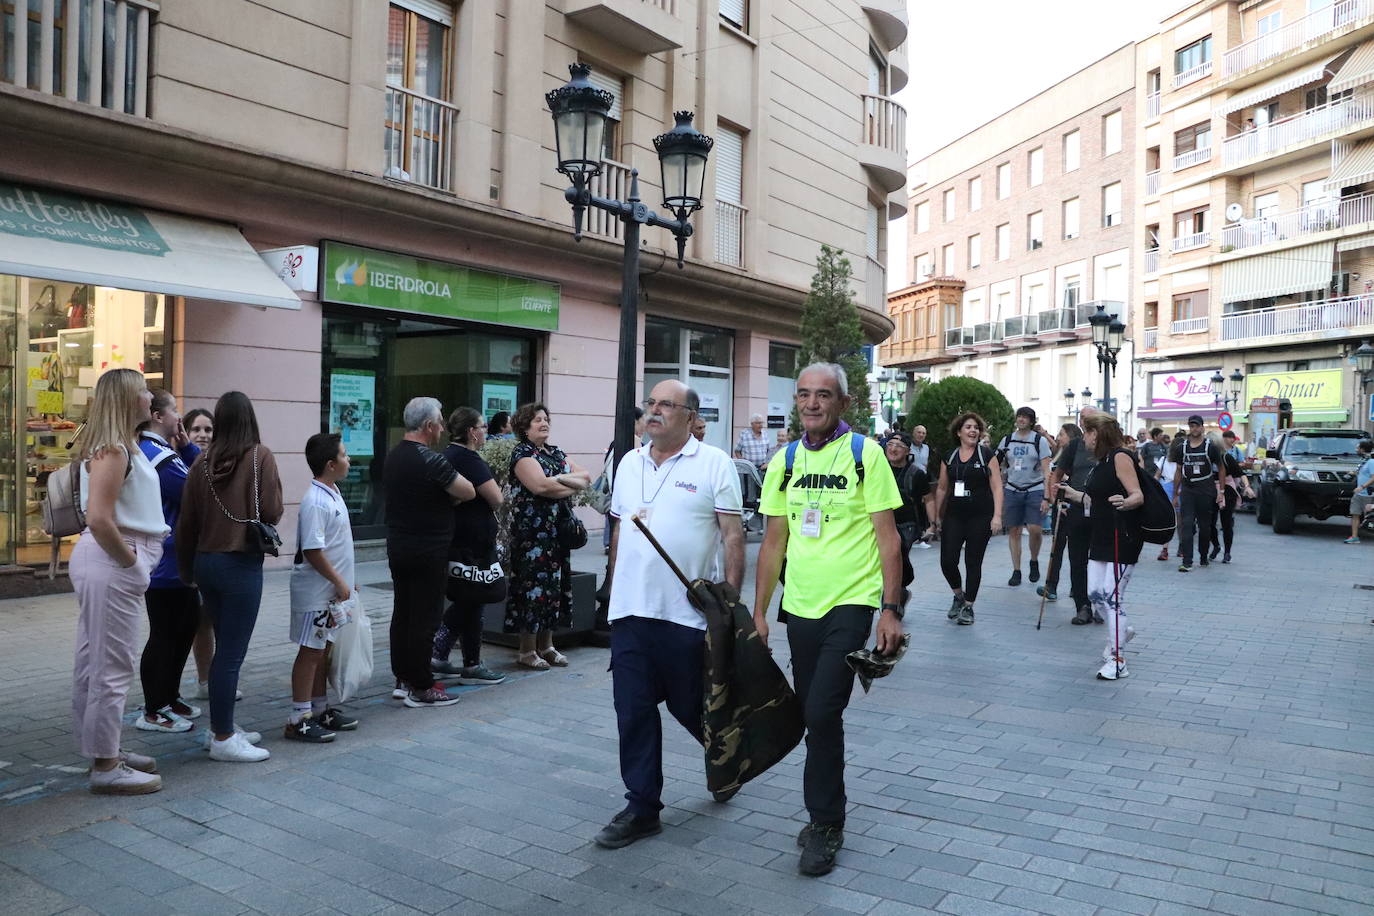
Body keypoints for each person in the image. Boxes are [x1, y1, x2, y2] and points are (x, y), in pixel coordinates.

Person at [753, 362, 903, 877]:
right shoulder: (786, 460)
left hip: (852, 602)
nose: (812, 403)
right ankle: (826, 809)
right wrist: (759, 612)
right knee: (813, 715)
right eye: (803, 396)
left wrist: (889, 609)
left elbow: (888, 537)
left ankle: (825, 823)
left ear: (842, 402)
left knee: (820, 712)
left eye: (823, 395)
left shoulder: (865, 454)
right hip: (800, 606)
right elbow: (774, 543)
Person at [593, 380, 744, 849]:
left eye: (665, 405)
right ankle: (642, 807)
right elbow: (619, 533)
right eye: (651, 404)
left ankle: (727, 757)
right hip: (632, 613)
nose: (654, 412)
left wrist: (731, 610)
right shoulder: (628, 463)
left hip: (687, 616)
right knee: (633, 711)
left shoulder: (715, 463)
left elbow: (733, 538)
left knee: (690, 705)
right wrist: (612, 592)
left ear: (691, 417)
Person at [70, 369, 169, 794]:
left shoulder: (123, 445)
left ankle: (102, 749)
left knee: (97, 664)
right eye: (145, 390)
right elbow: (98, 517)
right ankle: (107, 766)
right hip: (115, 560)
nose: (151, 396)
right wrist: (132, 564)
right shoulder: (114, 450)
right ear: (129, 399)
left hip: (113, 560)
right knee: (111, 667)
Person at [176, 391, 283, 762]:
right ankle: (223, 737)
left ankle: (221, 725)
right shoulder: (259, 456)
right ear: (250, 418)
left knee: (224, 649)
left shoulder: (200, 463)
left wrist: (186, 569)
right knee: (230, 655)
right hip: (240, 563)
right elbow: (272, 509)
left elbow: (185, 524)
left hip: (206, 563)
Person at [383, 397, 476, 708]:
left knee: (404, 613)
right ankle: (422, 685)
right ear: (428, 426)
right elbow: (468, 491)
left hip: (399, 545)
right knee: (425, 618)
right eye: (439, 421)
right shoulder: (430, 459)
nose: (442, 427)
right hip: (428, 549)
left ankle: (403, 677)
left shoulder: (394, 456)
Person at [135, 389, 203, 734]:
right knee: (164, 634)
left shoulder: (162, 451)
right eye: (175, 410)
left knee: (185, 628)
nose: (181, 417)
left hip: (178, 559)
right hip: (164, 562)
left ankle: (169, 697)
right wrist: (190, 449)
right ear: (159, 417)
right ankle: (152, 708)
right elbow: (198, 491)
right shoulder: (157, 455)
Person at [284, 433, 359, 742]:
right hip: (316, 594)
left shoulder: (331, 491)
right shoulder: (315, 501)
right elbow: (314, 551)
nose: (349, 459)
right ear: (331, 464)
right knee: (310, 652)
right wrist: (339, 581)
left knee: (323, 650)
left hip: (331, 595)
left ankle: (319, 708)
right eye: (344, 455)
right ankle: (298, 716)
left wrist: (347, 583)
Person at [1058, 413, 1144, 680]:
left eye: (1087, 432)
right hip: (1101, 535)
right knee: (1095, 593)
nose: (1084, 438)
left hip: (1122, 535)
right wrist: (1074, 495)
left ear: (1098, 433)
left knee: (1111, 596)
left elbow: (1137, 495)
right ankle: (1123, 630)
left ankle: (1118, 660)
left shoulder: (1120, 457)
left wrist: (1127, 502)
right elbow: (1096, 498)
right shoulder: (1101, 461)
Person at [506, 403, 590, 668]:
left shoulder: (555, 452)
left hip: (557, 533)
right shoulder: (522, 453)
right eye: (536, 420)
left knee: (554, 589)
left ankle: (548, 645)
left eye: (545, 419)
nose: (543, 423)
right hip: (532, 535)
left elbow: (585, 477)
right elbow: (540, 486)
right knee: (531, 589)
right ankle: (527, 650)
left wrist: (559, 482)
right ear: (524, 426)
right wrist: (566, 483)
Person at [431, 407, 507, 685]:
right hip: (473, 542)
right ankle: (445, 652)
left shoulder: (447, 455)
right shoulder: (469, 459)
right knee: (473, 598)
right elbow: (497, 498)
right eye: (483, 427)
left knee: (471, 599)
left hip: (457, 538)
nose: (486, 431)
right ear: (472, 432)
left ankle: (463, 660)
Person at [933, 413, 1003, 625]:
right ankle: (958, 595)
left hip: (980, 516)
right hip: (955, 515)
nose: (973, 431)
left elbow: (997, 486)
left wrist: (997, 516)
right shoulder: (950, 456)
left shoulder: (986, 455)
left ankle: (969, 607)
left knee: (973, 561)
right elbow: (943, 487)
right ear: (959, 432)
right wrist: (936, 517)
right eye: (968, 427)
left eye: (976, 428)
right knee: (947, 560)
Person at [1040, 422, 1098, 625]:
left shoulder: (1112, 448)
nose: (1087, 430)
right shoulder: (1075, 446)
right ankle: (1083, 606)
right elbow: (1057, 473)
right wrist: (1057, 498)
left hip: (1102, 512)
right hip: (1075, 508)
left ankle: (1099, 603)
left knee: (1100, 560)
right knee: (1077, 559)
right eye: (1084, 423)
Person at [181, 407, 220, 699]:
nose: (203, 435)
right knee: (199, 622)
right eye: (196, 429)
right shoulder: (181, 462)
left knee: (212, 620)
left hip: (215, 552)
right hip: (191, 554)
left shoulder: (219, 462)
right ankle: (206, 680)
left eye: (208, 430)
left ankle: (215, 679)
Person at [996, 407, 1053, 586]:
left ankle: (1034, 560)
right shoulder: (1006, 440)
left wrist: (1047, 496)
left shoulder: (1039, 441)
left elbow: (1046, 470)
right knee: (1014, 530)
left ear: (1031, 421)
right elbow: (995, 463)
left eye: (1025, 417)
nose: (1021, 420)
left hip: (1034, 489)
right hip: (1012, 489)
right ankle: (1016, 570)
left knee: (1035, 529)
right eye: (1019, 416)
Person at [1170, 415, 1226, 572]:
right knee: (1186, 524)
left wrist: (1221, 491)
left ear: (1202, 428)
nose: (1194, 429)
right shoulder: (1182, 448)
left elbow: (1221, 468)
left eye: (1196, 426)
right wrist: (1175, 494)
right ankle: (1187, 561)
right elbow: (1178, 471)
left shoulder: (1210, 447)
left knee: (1205, 526)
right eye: (1191, 426)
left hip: (1206, 489)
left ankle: (1203, 556)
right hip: (1188, 490)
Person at [885, 432, 935, 602]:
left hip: (906, 525)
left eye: (898, 446)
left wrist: (932, 525)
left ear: (907, 451)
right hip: (880, 523)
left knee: (897, 557)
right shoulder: (877, 469)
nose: (893, 449)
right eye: (890, 444)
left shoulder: (917, 474)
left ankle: (896, 595)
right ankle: (896, 592)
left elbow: (928, 499)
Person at [1206, 431, 1255, 563]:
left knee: (1226, 523)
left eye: (1210, 444)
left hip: (1227, 490)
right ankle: (1216, 546)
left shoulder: (1226, 458)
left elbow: (1240, 473)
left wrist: (1247, 487)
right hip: (1210, 490)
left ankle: (1227, 552)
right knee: (1208, 523)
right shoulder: (1205, 459)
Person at [602, 408, 646, 552]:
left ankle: (609, 543)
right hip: (632, 494)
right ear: (635, 422)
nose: (645, 425)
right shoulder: (635, 441)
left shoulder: (616, 441)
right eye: (643, 421)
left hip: (615, 492)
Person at [1155, 430, 1182, 561]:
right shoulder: (1183, 461)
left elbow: (1157, 476)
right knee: (1181, 521)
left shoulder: (1164, 459)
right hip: (1180, 490)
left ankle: (1165, 549)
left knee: (1169, 521)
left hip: (1165, 488)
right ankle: (1181, 548)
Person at [1347, 439, 1374, 544]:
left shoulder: (1371, 462)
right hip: (1358, 493)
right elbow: (1363, 474)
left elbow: (1373, 477)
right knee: (1355, 514)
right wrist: (1353, 473)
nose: (1356, 450)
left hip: (1367, 493)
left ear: (1362, 450)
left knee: (1370, 517)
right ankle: (1354, 537)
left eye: (1357, 448)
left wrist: (1362, 487)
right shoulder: (1364, 461)